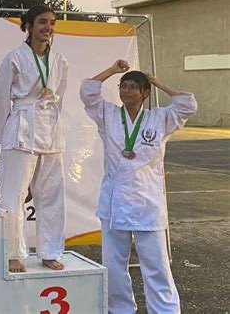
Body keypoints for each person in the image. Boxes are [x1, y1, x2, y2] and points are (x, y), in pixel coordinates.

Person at [80, 60, 198, 314]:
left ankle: (165, 310)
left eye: (134, 86)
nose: (126, 90)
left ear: (145, 93)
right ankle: (120, 309)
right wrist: (112, 70)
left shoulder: (160, 118)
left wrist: (157, 82)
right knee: (113, 264)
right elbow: (88, 91)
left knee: (156, 264)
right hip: (115, 199)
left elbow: (188, 104)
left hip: (148, 200)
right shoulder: (108, 114)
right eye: (123, 86)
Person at [0, 5, 69, 273]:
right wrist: (1, 133)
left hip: (50, 129)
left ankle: (50, 250)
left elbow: (60, 93)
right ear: (29, 26)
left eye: (52, 23)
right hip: (22, 127)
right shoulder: (14, 58)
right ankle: (12, 252)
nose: (48, 28)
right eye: (43, 22)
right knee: (14, 195)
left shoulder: (60, 61)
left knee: (51, 196)